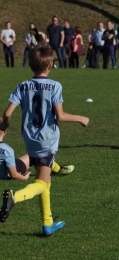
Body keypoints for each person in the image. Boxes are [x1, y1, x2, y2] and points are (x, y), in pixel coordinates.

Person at [0, 42, 89, 236]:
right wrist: (81, 118)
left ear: (31, 65)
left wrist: (4, 126)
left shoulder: (22, 86)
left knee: (45, 179)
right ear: (49, 66)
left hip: (30, 139)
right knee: (41, 183)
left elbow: (7, 113)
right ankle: (15, 197)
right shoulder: (55, 85)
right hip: (47, 140)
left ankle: (48, 223)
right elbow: (60, 116)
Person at [0, 117, 75, 180]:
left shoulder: (6, 150)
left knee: (32, 155)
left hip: (6, 166)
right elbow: (14, 175)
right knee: (37, 155)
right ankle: (58, 170)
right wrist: (24, 178)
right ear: (5, 131)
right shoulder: (7, 150)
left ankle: (54, 169)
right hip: (8, 173)